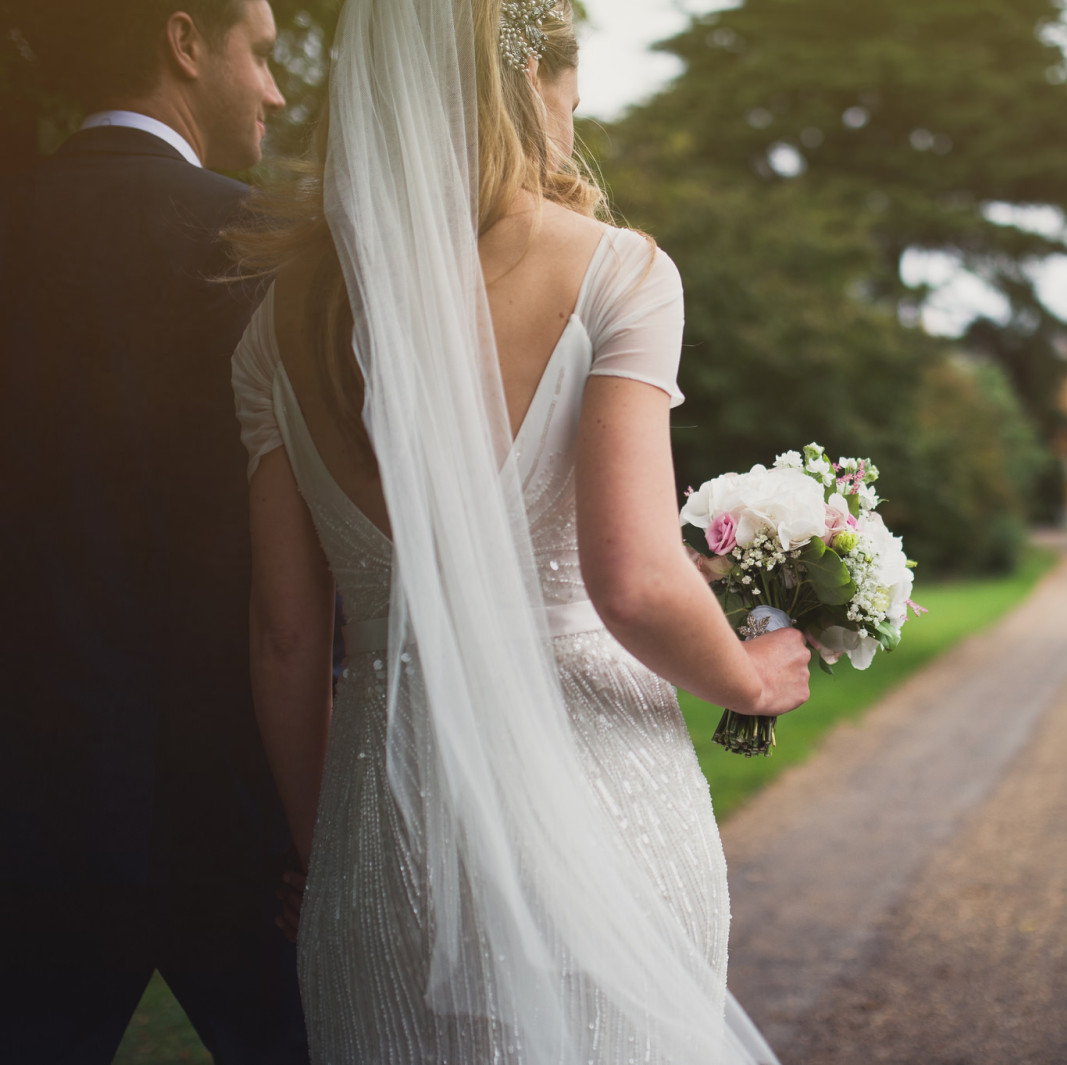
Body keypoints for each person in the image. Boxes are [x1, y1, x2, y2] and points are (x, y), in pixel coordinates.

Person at [227, 0, 811, 1060]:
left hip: (377, 830)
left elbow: (282, 634)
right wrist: (752, 676)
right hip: (597, 800)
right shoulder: (616, 272)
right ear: (528, 75)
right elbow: (630, 580)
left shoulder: (281, 321)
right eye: (569, 73)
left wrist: (326, 858)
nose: (576, 103)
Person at [0, 1, 309, 1062]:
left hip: (24, 808)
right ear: (185, 43)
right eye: (261, 55)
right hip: (231, 799)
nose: (274, 90)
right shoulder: (260, 248)